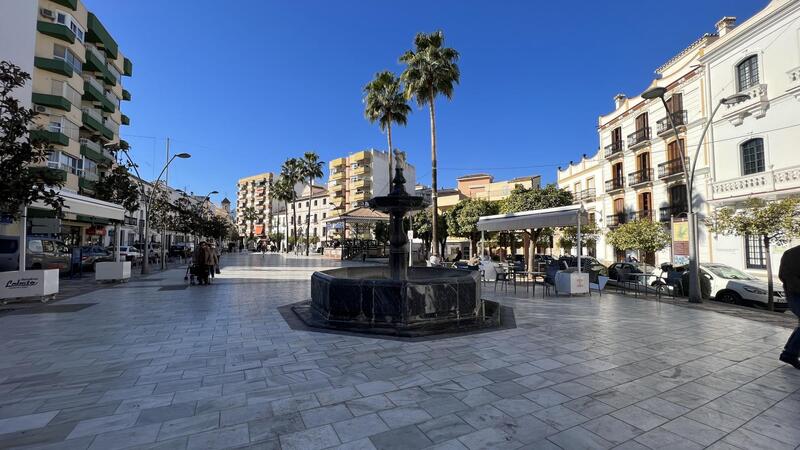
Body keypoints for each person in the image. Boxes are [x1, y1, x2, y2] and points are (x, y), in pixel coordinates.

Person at [779, 245, 800, 369]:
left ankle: (789, 353)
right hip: (796, 294)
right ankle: (789, 354)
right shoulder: (792, 254)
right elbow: (786, 277)